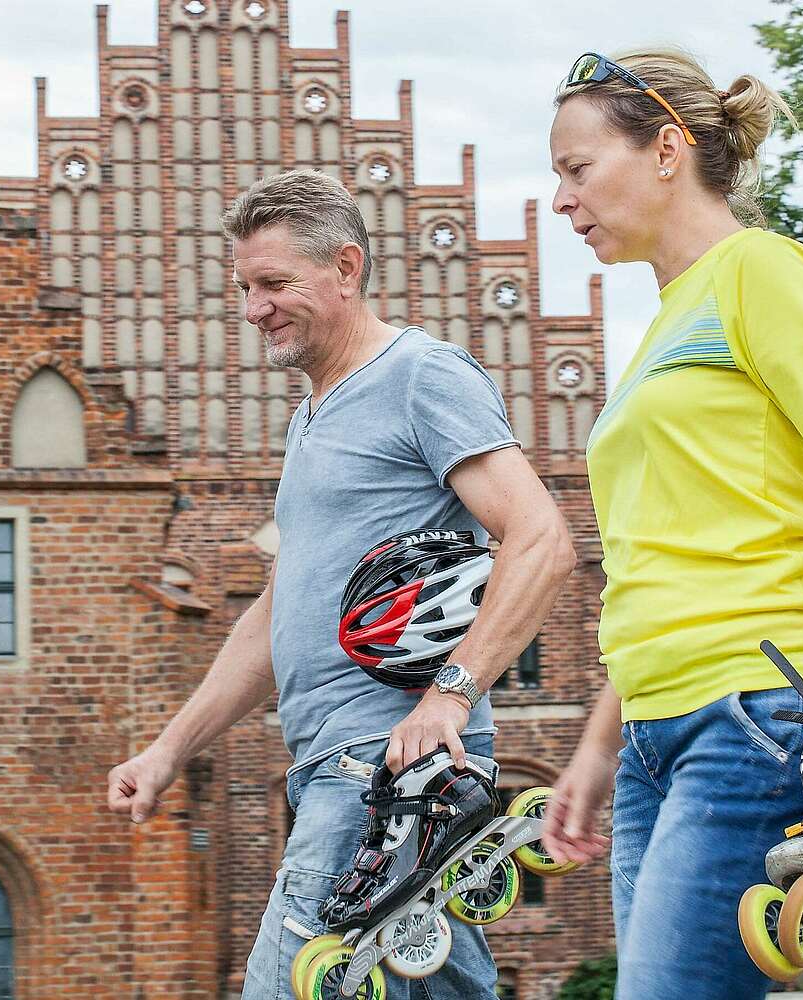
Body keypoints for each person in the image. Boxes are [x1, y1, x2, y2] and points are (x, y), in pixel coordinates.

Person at [105, 168, 577, 998]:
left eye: (275, 283)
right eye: (246, 288)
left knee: (286, 987)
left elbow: (541, 539)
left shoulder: (422, 377)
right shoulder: (312, 417)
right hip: (337, 759)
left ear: (347, 268)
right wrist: (170, 748)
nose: (255, 309)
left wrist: (451, 696)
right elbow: (275, 616)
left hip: (386, 767)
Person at [536, 50, 803, 1000]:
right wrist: (597, 742)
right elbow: (661, 563)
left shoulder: (762, 271)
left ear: (668, 149)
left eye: (577, 170)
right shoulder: (666, 326)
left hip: (758, 710)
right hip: (655, 734)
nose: (560, 201)